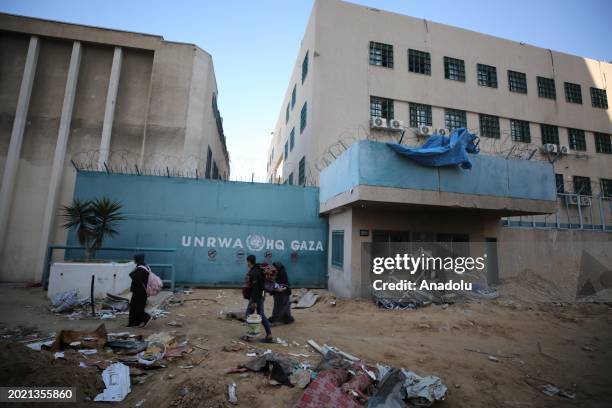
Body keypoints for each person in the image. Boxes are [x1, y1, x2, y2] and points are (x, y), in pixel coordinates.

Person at [244, 254, 273, 343]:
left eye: (247, 262)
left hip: (256, 297)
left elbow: (255, 288)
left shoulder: (254, 272)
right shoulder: (258, 269)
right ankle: (269, 335)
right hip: (261, 295)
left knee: (248, 315)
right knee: (261, 315)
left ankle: (250, 336)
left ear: (249, 261)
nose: (247, 264)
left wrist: (254, 301)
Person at [128, 253, 151, 327]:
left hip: (139, 291)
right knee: (136, 306)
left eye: (135, 259)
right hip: (142, 291)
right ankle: (135, 322)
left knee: (136, 307)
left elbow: (137, 279)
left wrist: (132, 274)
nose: (134, 260)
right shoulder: (145, 266)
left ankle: (146, 318)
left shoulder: (141, 268)